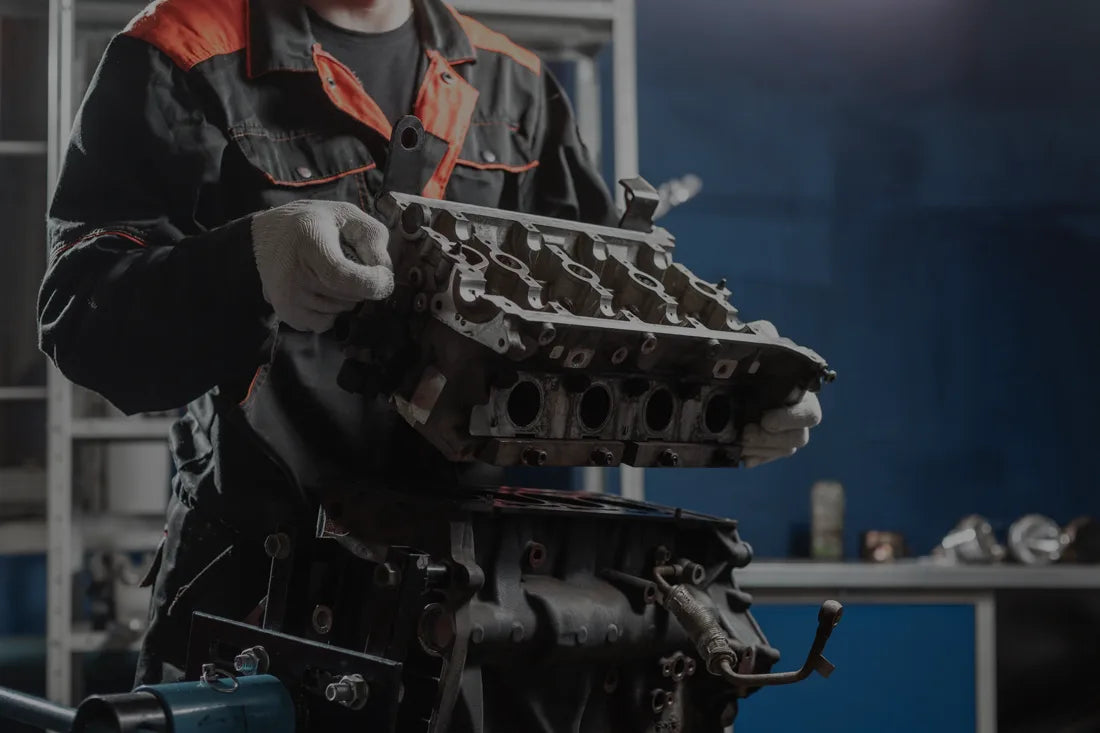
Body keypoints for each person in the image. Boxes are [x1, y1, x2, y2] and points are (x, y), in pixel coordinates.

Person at [38, 0, 821, 692]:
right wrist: (248, 261)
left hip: (478, 606)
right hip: (256, 592)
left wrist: (730, 382)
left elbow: (604, 319)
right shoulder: (183, 51)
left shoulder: (514, 89)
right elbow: (83, 316)